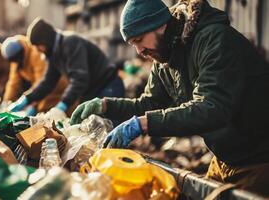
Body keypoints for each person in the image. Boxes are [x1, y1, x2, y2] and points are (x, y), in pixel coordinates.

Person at [70, 0, 269, 195]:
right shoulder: (164, 58)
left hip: (258, 159)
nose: (139, 51)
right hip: (224, 158)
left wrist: (142, 124)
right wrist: (105, 106)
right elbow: (149, 103)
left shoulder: (215, 40)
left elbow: (212, 107)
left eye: (139, 40)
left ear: (161, 25)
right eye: (132, 44)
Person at [8, 17, 125, 117]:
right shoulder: (53, 54)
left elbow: (79, 79)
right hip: (91, 93)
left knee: (107, 132)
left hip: (108, 86)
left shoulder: (71, 43)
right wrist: (27, 99)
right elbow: (47, 82)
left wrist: (63, 104)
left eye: (39, 46)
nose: (39, 50)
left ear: (46, 39)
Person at [1, 35, 68, 116]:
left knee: (52, 114)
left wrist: (33, 104)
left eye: (17, 58)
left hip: (57, 88)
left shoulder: (35, 54)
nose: (16, 61)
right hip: (40, 90)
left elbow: (42, 83)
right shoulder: (16, 61)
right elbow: (13, 82)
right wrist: (7, 101)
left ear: (21, 51)